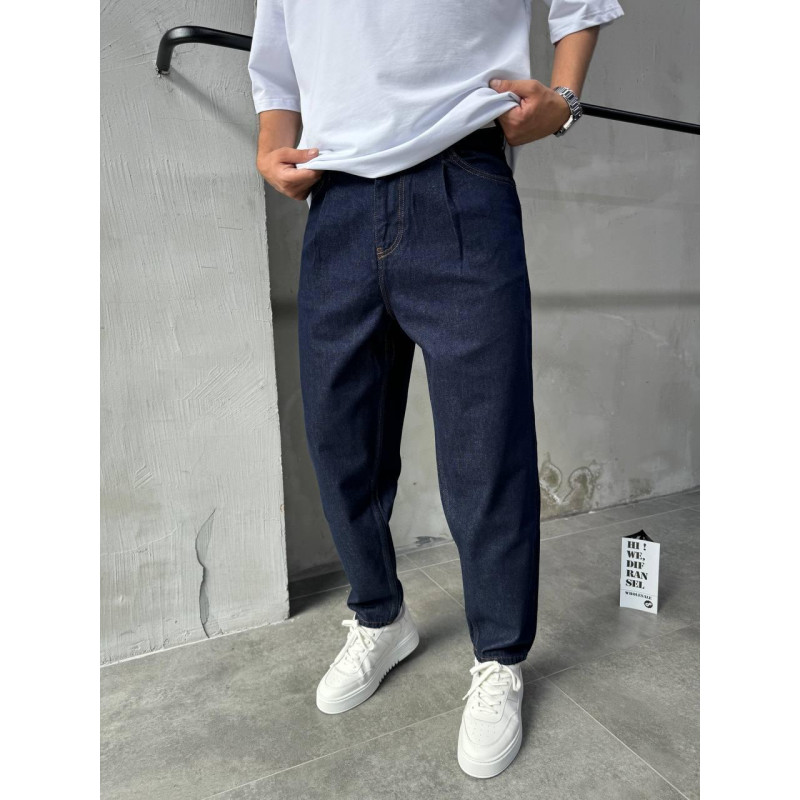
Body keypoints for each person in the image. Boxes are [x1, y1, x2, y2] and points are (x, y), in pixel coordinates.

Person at [249, 0, 624, 779]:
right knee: (339, 440)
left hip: (462, 176)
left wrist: (565, 98)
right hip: (338, 198)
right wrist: (269, 148)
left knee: (485, 447)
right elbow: (276, 61)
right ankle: (379, 617)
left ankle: (499, 658)